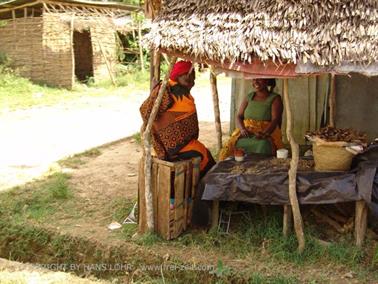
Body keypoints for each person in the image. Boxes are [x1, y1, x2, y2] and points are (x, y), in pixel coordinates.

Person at [140, 60, 215, 177]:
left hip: (167, 144)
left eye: (193, 79)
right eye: (187, 79)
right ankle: (204, 186)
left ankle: (200, 185)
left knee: (202, 151)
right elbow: (147, 112)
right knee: (204, 156)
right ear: (177, 75)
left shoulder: (166, 89)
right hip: (172, 148)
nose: (191, 83)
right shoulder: (169, 91)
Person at [219, 78, 284, 160]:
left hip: (266, 133)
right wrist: (242, 129)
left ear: (267, 81)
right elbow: (239, 116)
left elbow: (275, 120)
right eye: (254, 79)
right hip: (247, 132)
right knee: (233, 143)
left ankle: (259, 168)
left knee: (262, 144)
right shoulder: (249, 97)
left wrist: (263, 134)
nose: (255, 82)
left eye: (259, 79)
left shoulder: (275, 98)